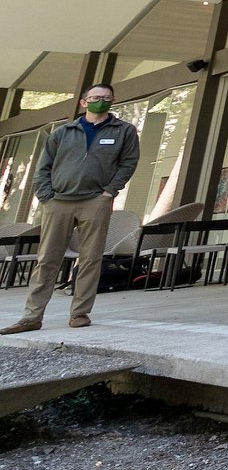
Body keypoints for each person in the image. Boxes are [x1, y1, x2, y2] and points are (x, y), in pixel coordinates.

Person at [3, 84, 138, 334]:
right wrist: (47, 196)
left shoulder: (124, 131)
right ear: (84, 102)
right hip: (59, 202)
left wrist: (109, 192)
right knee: (47, 259)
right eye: (96, 98)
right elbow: (43, 166)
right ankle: (31, 317)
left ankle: (79, 313)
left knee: (90, 258)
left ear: (113, 101)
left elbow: (128, 163)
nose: (101, 102)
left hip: (95, 201)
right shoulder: (63, 132)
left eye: (107, 98)